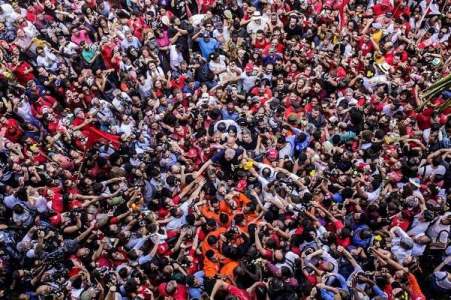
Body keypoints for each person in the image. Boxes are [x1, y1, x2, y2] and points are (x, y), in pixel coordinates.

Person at [0, 0, 449, 299]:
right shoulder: (233, 181)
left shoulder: (247, 180)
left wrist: (237, 179)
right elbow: (224, 177)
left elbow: (250, 174)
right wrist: (217, 179)